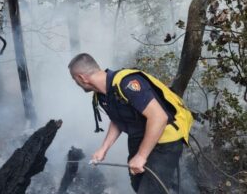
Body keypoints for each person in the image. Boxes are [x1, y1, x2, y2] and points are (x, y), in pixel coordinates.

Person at [68, 53, 193, 193]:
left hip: (165, 141)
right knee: (138, 186)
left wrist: (141, 156)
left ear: (81, 77)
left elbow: (159, 117)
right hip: (139, 139)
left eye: (74, 79)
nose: (76, 83)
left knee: (150, 191)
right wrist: (104, 148)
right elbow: (117, 121)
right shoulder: (102, 94)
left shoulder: (127, 83)